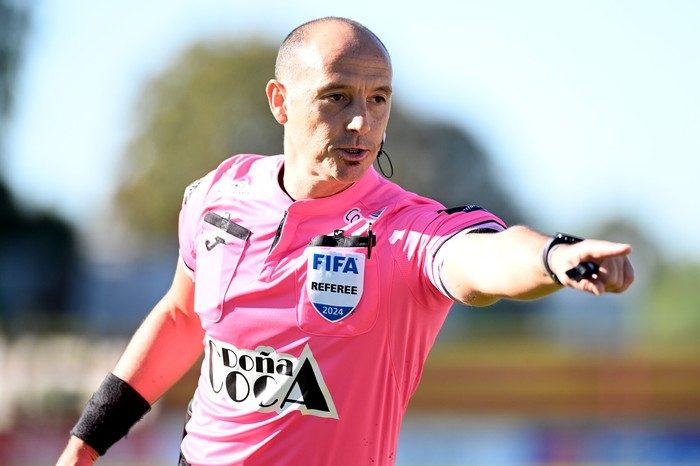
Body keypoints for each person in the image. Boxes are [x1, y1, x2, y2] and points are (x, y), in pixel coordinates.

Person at [56, 16, 634, 466]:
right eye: (337, 97)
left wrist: (554, 257)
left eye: (378, 98)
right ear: (280, 101)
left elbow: (484, 255)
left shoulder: (405, 230)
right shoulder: (218, 194)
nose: (361, 122)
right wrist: (86, 443)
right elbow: (183, 319)